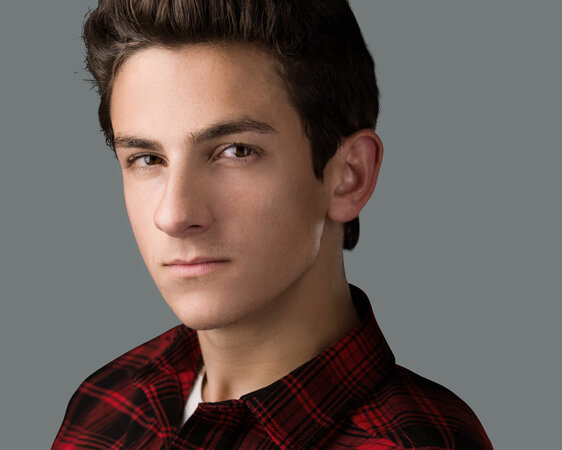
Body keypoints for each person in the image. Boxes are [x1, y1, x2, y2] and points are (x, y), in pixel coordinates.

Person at [53, 0, 492, 448]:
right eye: (147, 159)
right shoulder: (105, 398)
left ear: (349, 176)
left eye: (236, 151)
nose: (173, 216)